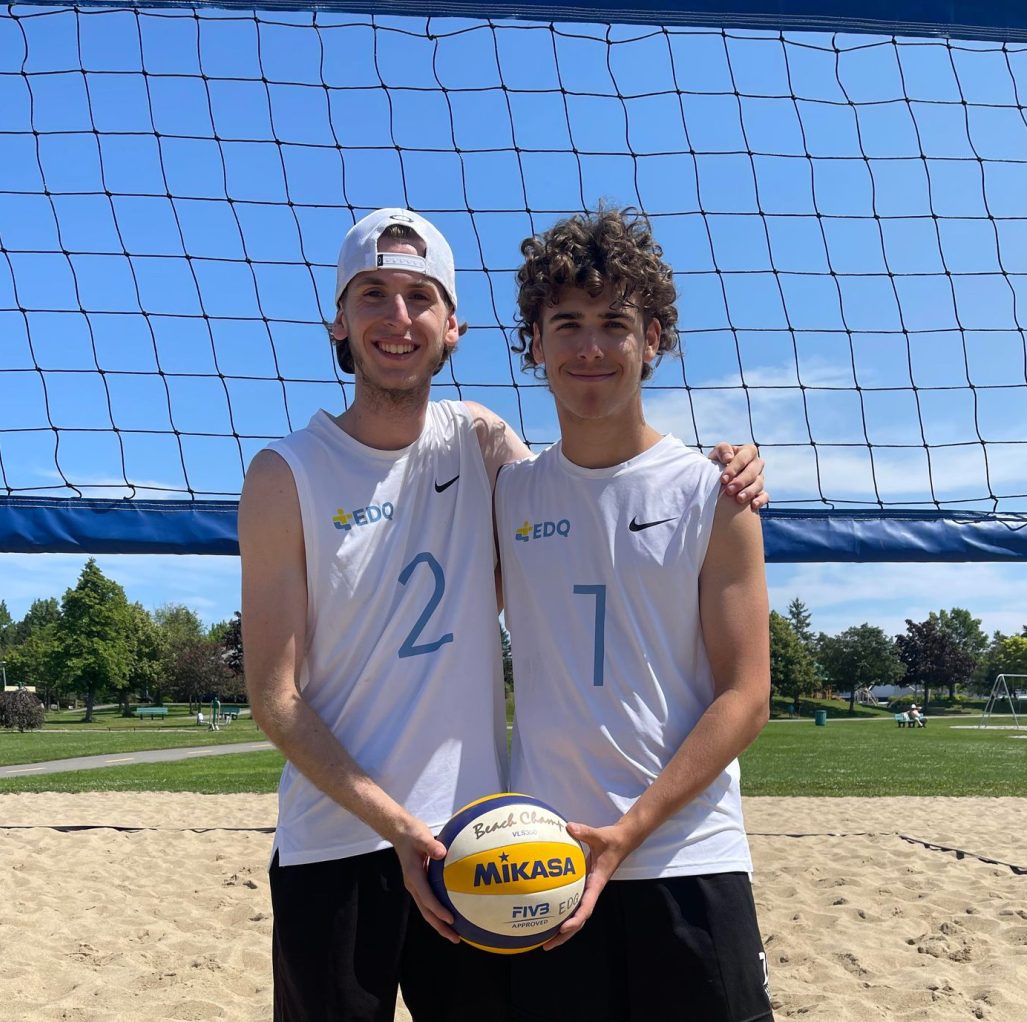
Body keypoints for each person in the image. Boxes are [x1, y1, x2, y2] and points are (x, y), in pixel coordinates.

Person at [238, 207, 768, 1022]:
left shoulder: (484, 447)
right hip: (342, 840)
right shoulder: (291, 475)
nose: (397, 318)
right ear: (339, 319)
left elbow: (606, 489)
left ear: (454, 326)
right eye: (372, 295)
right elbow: (274, 696)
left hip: (489, 848)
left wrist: (730, 465)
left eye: (420, 296)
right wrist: (398, 826)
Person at [497, 206, 774, 1022]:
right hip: (542, 865)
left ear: (651, 340)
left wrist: (628, 832)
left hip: (689, 858)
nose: (590, 347)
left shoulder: (713, 493)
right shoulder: (504, 492)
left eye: (613, 323)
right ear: (534, 343)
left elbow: (746, 696)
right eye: (567, 323)